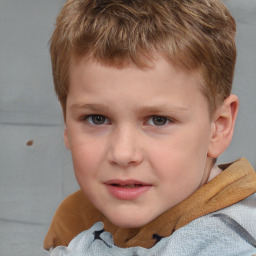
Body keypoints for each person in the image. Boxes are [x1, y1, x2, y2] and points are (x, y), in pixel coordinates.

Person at [44, 0, 256, 255]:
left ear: (218, 127)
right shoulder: (76, 217)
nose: (123, 153)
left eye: (159, 120)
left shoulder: (236, 240)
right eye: (97, 119)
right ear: (66, 123)